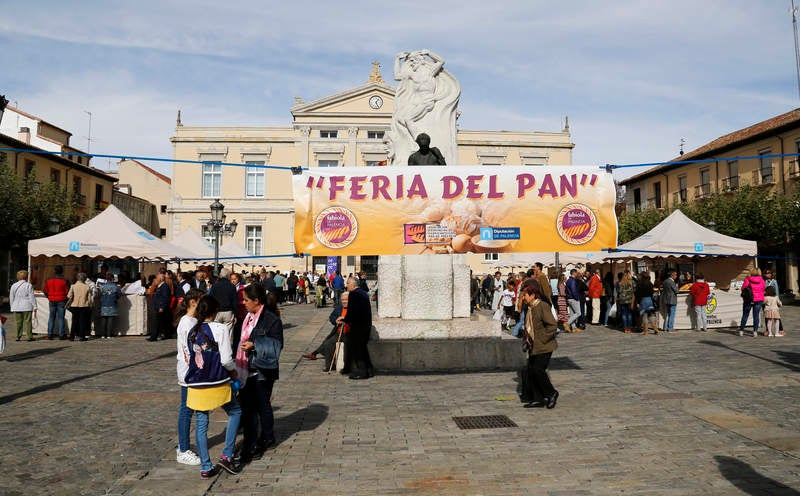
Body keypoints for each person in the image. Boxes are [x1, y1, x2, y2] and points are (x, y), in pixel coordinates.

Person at [185, 295, 242, 478]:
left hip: (197, 382)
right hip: (216, 380)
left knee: (202, 422)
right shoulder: (220, 329)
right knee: (235, 411)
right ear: (215, 311)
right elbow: (225, 359)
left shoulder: (192, 331)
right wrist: (233, 372)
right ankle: (227, 454)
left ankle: (206, 466)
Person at [237, 285, 283, 462]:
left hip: (262, 369)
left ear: (256, 301)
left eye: (246, 300)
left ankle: (265, 438)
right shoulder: (247, 317)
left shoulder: (271, 319)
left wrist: (254, 345)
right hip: (245, 368)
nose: (243, 303)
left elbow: (277, 345)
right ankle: (253, 439)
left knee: (262, 405)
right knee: (248, 407)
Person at [175, 288, 205, 466]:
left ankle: (184, 444)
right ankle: (183, 449)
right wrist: (194, 370)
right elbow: (188, 350)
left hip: (192, 370)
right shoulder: (186, 322)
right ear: (193, 302)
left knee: (189, 409)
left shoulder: (193, 320)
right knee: (186, 410)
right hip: (189, 371)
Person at [519, 278, 559, 409]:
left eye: (525, 295)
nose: (523, 298)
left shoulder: (542, 306)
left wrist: (541, 339)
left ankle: (551, 393)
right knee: (531, 370)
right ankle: (538, 398)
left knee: (538, 370)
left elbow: (552, 325)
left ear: (532, 295)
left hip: (544, 345)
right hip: (533, 345)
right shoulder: (529, 308)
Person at [337, 276, 373, 380]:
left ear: (353, 284)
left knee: (358, 351)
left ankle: (362, 372)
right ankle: (369, 370)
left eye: (348, 283)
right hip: (366, 325)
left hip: (358, 327)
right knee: (363, 349)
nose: (346, 285)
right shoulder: (363, 293)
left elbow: (352, 311)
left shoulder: (353, 294)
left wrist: (345, 319)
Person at [43, 265, 70, 340]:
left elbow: (45, 290)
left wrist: (49, 297)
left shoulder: (48, 279)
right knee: (61, 318)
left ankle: (49, 334)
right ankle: (61, 335)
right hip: (61, 299)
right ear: (62, 271)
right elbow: (68, 291)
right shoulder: (65, 280)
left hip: (52, 299)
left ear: (54, 271)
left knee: (51, 317)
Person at [9, 270, 36, 342]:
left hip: (16, 306)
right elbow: (31, 297)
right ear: (26, 277)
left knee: (18, 322)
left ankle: (18, 336)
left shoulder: (14, 285)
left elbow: (11, 297)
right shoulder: (28, 285)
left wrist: (12, 306)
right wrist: (35, 306)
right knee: (28, 322)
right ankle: (29, 336)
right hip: (27, 306)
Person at [739, 268, 765, 337]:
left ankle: (741, 330)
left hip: (749, 300)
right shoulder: (762, 280)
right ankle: (755, 332)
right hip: (758, 300)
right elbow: (763, 289)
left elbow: (743, 288)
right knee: (756, 316)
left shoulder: (748, 279)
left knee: (745, 315)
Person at [209, 267, 237, 332]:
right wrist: (235, 314)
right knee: (227, 332)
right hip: (228, 312)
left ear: (220, 275)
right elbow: (234, 301)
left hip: (217, 312)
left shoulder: (214, 286)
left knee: (216, 331)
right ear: (228, 276)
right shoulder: (232, 286)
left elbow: (211, 299)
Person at [66, 273, 92, 341]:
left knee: (74, 321)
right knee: (82, 322)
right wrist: (90, 305)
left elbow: (68, 296)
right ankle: (82, 336)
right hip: (84, 305)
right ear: (84, 279)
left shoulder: (73, 286)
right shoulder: (87, 287)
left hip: (74, 305)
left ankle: (72, 337)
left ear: (77, 278)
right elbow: (89, 299)